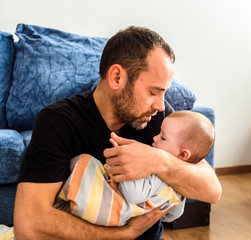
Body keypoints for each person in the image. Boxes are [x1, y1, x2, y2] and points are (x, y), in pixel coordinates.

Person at [14, 26, 222, 240]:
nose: (161, 105)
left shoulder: (158, 119)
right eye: (153, 91)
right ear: (116, 77)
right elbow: (29, 224)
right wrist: (124, 234)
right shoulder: (58, 122)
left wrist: (159, 161)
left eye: (163, 93)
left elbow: (212, 191)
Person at [56, 110, 215, 226]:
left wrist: (121, 160)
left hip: (110, 212)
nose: (155, 137)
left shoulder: (158, 173)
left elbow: (133, 194)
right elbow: (173, 214)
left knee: (84, 163)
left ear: (183, 154)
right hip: (118, 218)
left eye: (163, 137)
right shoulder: (180, 188)